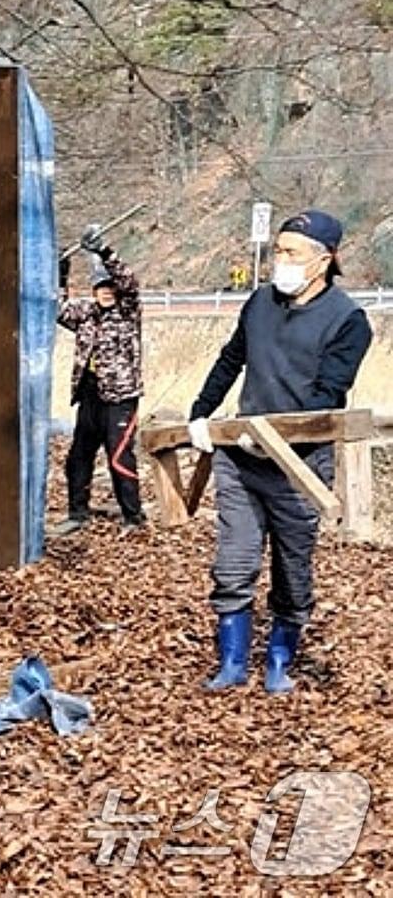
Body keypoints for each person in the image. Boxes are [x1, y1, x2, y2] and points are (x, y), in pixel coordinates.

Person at [188, 210, 371, 695]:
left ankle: (279, 662)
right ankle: (231, 664)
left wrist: (277, 436)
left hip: (300, 467)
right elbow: (232, 358)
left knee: (293, 568)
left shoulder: (348, 321)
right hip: (241, 461)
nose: (281, 261)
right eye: (278, 251)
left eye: (291, 253)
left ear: (323, 260)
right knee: (234, 561)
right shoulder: (259, 304)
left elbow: (329, 395)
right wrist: (201, 413)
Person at [55, 226, 144, 534]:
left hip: (120, 398)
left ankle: (134, 518)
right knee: (78, 458)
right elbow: (56, 308)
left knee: (120, 458)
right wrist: (59, 272)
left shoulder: (128, 310)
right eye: (100, 287)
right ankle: (77, 514)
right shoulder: (86, 313)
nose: (106, 291)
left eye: (109, 286)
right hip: (90, 397)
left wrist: (104, 251)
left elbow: (130, 283)